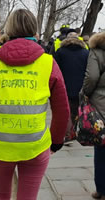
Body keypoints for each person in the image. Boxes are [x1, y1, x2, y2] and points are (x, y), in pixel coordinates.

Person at [0, 9, 70, 200]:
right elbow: (62, 109)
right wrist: (56, 141)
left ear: (9, 30)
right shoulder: (47, 62)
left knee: (1, 195)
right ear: (34, 30)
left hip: (0, 145)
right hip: (34, 145)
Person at [81, 32, 105, 200]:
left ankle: (101, 189)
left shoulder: (96, 52)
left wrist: (85, 93)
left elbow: (92, 77)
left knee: (102, 146)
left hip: (101, 103)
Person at [55, 32, 89, 145]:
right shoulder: (85, 52)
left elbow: (55, 70)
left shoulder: (60, 52)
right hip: (81, 87)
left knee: (67, 112)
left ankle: (68, 134)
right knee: (79, 111)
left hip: (65, 86)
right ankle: (80, 132)